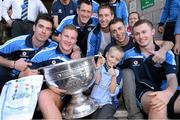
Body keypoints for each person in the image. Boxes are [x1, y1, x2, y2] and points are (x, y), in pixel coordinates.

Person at [105, 18, 174, 119]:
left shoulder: (137, 39)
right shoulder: (110, 48)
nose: (118, 33)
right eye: (114, 31)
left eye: (120, 28)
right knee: (127, 72)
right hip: (122, 81)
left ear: (125, 27)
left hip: (145, 79)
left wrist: (162, 51)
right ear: (111, 34)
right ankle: (134, 114)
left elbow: (168, 43)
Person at [20, 25, 81, 119]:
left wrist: (76, 62)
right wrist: (26, 73)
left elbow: (79, 84)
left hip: (63, 98)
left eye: (72, 38)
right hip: (37, 96)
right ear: (59, 37)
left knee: (44, 95)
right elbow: (24, 74)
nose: (68, 40)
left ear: (75, 41)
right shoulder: (45, 53)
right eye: (66, 36)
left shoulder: (77, 58)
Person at [125, 19, 180, 119]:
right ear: (133, 36)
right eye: (137, 34)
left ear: (153, 32)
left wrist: (167, 93)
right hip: (145, 93)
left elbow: (172, 78)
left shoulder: (166, 53)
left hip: (166, 89)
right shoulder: (128, 55)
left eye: (144, 32)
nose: (141, 36)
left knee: (161, 101)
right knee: (157, 103)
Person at [0, 14, 57, 91]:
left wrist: (75, 49)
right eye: (41, 26)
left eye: (48, 29)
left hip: (41, 85)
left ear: (50, 33)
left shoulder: (54, 47)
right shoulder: (18, 42)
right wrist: (13, 64)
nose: (44, 31)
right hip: (14, 81)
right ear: (34, 27)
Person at [87, 45, 124, 119]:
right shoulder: (100, 66)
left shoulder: (118, 72)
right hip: (93, 101)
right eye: (112, 57)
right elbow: (97, 82)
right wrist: (97, 68)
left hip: (108, 103)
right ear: (107, 55)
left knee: (101, 118)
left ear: (119, 61)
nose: (113, 61)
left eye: (117, 59)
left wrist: (113, 77)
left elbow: (112, 92)